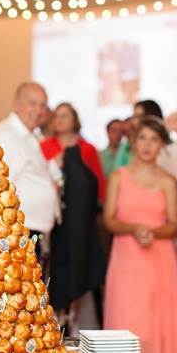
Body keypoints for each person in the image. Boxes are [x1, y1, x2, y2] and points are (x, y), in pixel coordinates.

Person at [103, 115, 177, 353]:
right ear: (133, 142)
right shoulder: (118, 177)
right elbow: (109, 220)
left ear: (161, 144)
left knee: (156, 321)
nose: (148, 145)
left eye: (154, 139)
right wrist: (134, 229)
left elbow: (175, 224)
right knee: (125, 317)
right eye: (143, 138)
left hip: (159, 259)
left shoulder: (168, 181)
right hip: (126, 258)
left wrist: (154, 233)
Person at [40, 102, 105, 333]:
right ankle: (55, 317)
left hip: (80, 221)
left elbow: (98, 185)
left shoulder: (87, 149)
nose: (59, 120)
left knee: (80, 267)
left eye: (64, 115)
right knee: (55, 267)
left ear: (74, 119)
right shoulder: (44, 147)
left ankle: (72, 319)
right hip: (53, 221)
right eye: (56, 116)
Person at [0, 82, 60, 274]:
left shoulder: (31, 137)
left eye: (43, 105)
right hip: (14, 236)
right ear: (16, 104)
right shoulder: (5, 137)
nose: (38, 110)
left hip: (29, 234)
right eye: (33, 103)